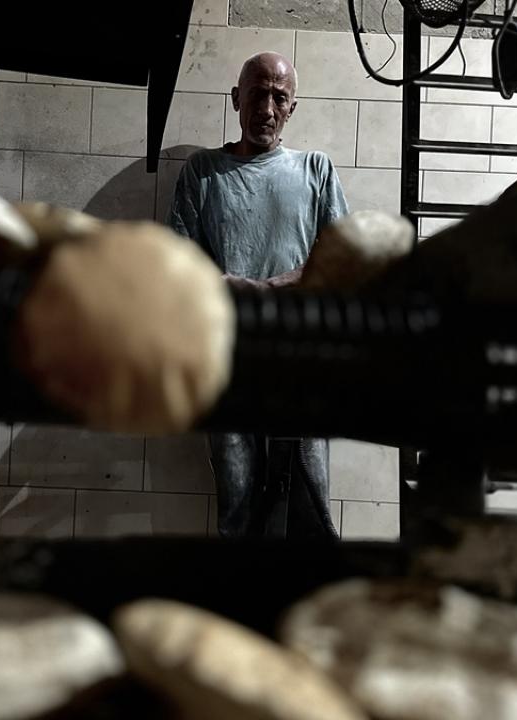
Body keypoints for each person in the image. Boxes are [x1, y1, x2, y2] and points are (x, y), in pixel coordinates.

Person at [166, 51, 348, 539]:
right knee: (239, 505)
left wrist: (267, 286)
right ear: (236, 99)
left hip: (301, 363)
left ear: (292, 108)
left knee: (309, 505)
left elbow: (343, 261)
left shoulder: (315, 169)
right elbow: (178, 265)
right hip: (227, 363)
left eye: (279, 97)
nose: (266, 109)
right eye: (257, 95)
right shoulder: (202, 172)